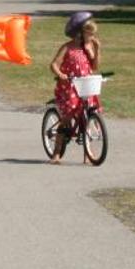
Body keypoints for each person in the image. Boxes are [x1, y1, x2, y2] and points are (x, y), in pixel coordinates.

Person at [47, 11, 100, 163]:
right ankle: (56, 153)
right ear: (79, 33)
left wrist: (97, 50)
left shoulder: (88, 47)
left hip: (85, 86)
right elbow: (54, 64)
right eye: (89, 34)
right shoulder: (68, 47)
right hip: (69, 87)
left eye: (93, 34)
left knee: (86, 117)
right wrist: (61, 74)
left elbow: (94, 66)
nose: (92, 37)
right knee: (67, 119)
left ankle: (87, 155)